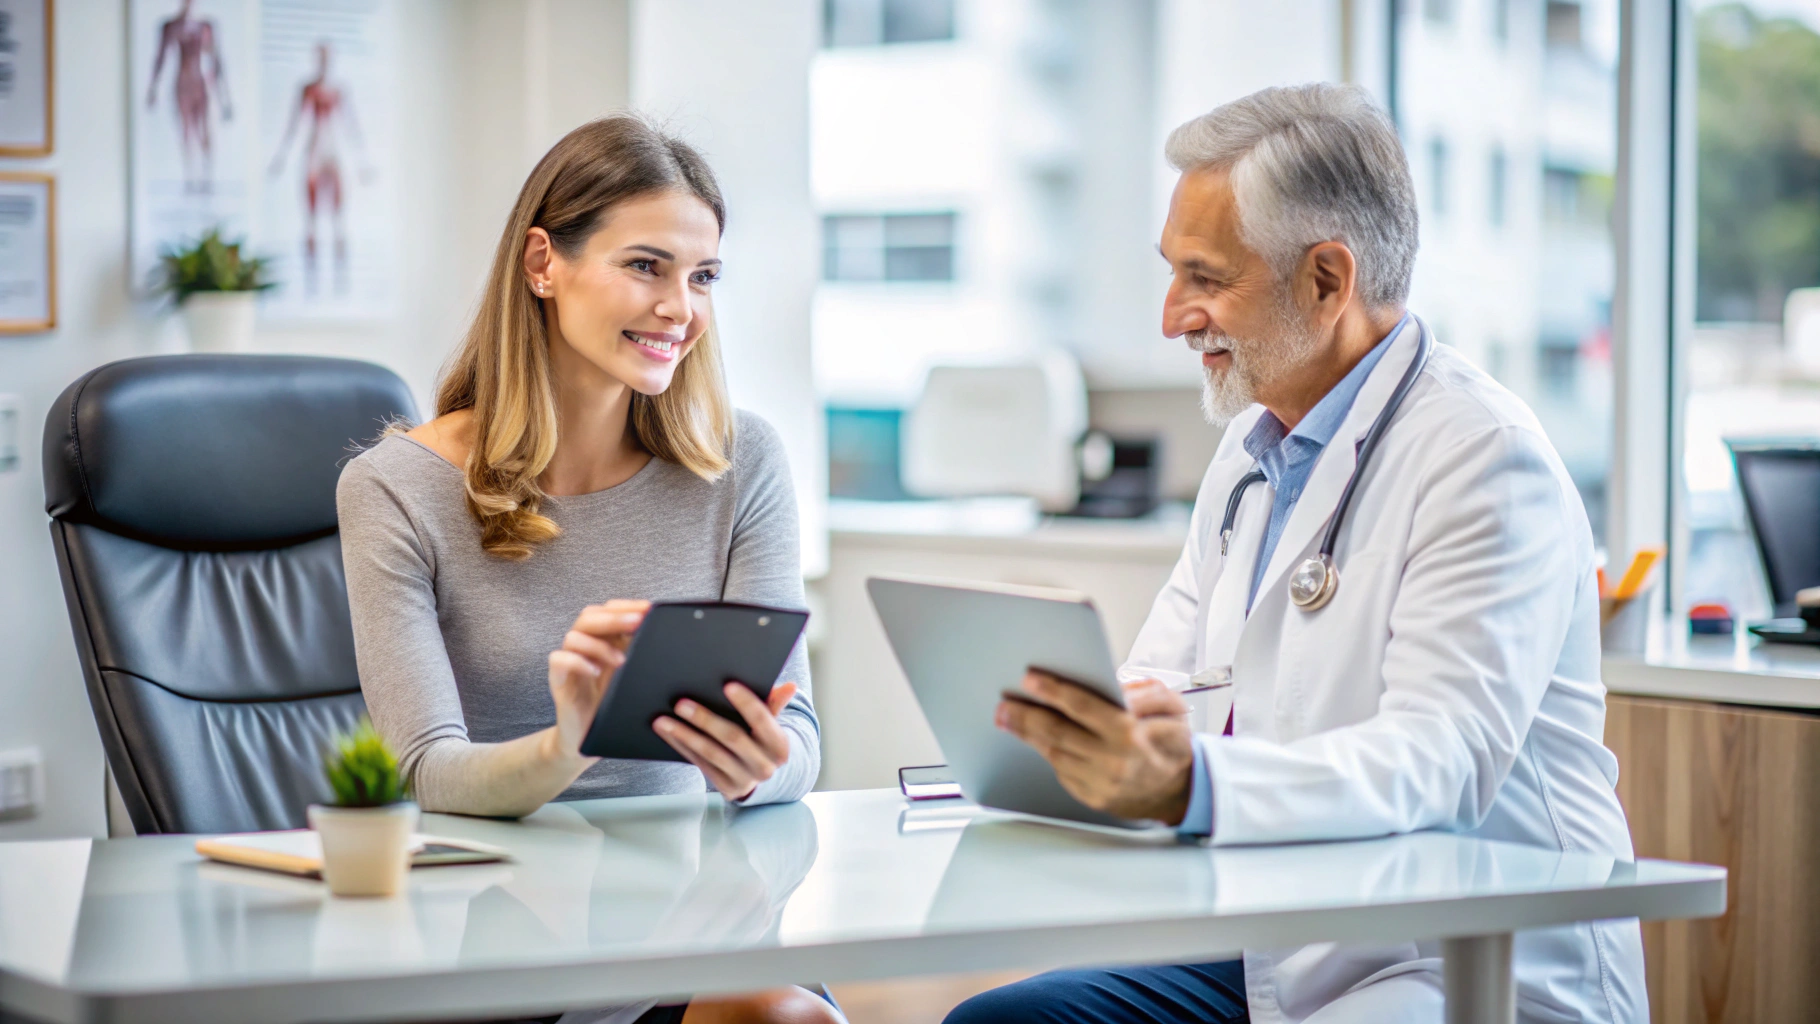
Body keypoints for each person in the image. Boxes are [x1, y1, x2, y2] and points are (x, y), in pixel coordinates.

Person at [949, 83, 1645, 1024]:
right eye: (1173, 273)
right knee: (1001, 1023)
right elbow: (1168, 681)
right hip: (1286, 942)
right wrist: (1070, 737)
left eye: (1204, 277)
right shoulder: (1251, 450)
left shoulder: (1484, 458)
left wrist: (1190, 781)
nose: (1173, 316)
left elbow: (1438, 761)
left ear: (1326, 279)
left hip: (1464, 958)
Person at [337, 114, 838, 1024]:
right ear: (543, 265)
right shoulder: (394, 487)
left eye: (704, 277)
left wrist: (758, 766)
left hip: (693, 919)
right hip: (496, 934)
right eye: (646, 266)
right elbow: (428, 773)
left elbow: (797, 732)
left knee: (789, 1014)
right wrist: (574, 739)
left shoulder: (743, 464)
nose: (680, 309)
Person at [268, 41, 371, 295]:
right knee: (312, 220)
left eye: (327, 56)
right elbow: (294, 125)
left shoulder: (338, 91)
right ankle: (312, 282)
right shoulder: (308, 90)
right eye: (321, 56)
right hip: (314, 151)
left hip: (333, 151)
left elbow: (352, 126)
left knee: (339, 219)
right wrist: (281, 157)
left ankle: (341, 281)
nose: (324, 61)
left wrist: (363, 162)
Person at [145, 0, 232, 193]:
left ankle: (207, 178)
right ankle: (190, 178)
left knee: (205, 129)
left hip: (203, 83)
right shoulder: (170, 26)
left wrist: (225, 97)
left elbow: (217, 60)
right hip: (183, 84)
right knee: (187, 131)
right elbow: (160, 57)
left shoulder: (206, 26)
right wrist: (153, 88)